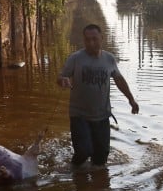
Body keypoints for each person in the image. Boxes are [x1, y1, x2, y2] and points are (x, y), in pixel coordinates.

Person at [57, 23, 139, 167]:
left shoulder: (109, 59)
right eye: (87, 40)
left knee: (101, 159)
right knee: (83, 152)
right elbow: (61, 77)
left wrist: (131, 99)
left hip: (102, 116)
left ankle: (97, 185)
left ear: (102, 38)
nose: (91, 43)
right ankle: (74, 174)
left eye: (94, 39)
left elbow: (119, 79)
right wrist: (62, 80)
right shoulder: (75, 58)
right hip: (79, 115)